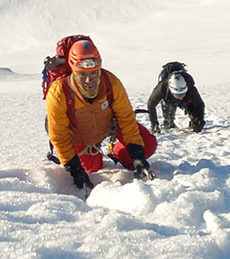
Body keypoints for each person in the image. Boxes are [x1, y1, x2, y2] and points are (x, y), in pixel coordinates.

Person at [44, 38, 156, 191]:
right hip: (77, 136)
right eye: (82, 75)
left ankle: (117, 151)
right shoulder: (59, 93)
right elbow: (59, 135)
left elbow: (126, 120)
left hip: (106, 127)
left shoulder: (111, 83)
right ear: (73, 71)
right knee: (91, 167)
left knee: (147, 145)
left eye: (94, 73)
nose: (89, 80)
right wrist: (74, 168)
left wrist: (137, 156)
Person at [147, 61, 205, 133]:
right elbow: (151, 105)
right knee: (168, 122)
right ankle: (168, 122)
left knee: (196, 120)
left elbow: (200, 104)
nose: (180, 97)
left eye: (182, 94)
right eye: (178, 95)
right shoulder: (162, 88)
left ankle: (194, 123)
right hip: (169, 99)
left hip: (187, 100)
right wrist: (154, 124)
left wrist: (199, 119)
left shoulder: (191, 88)